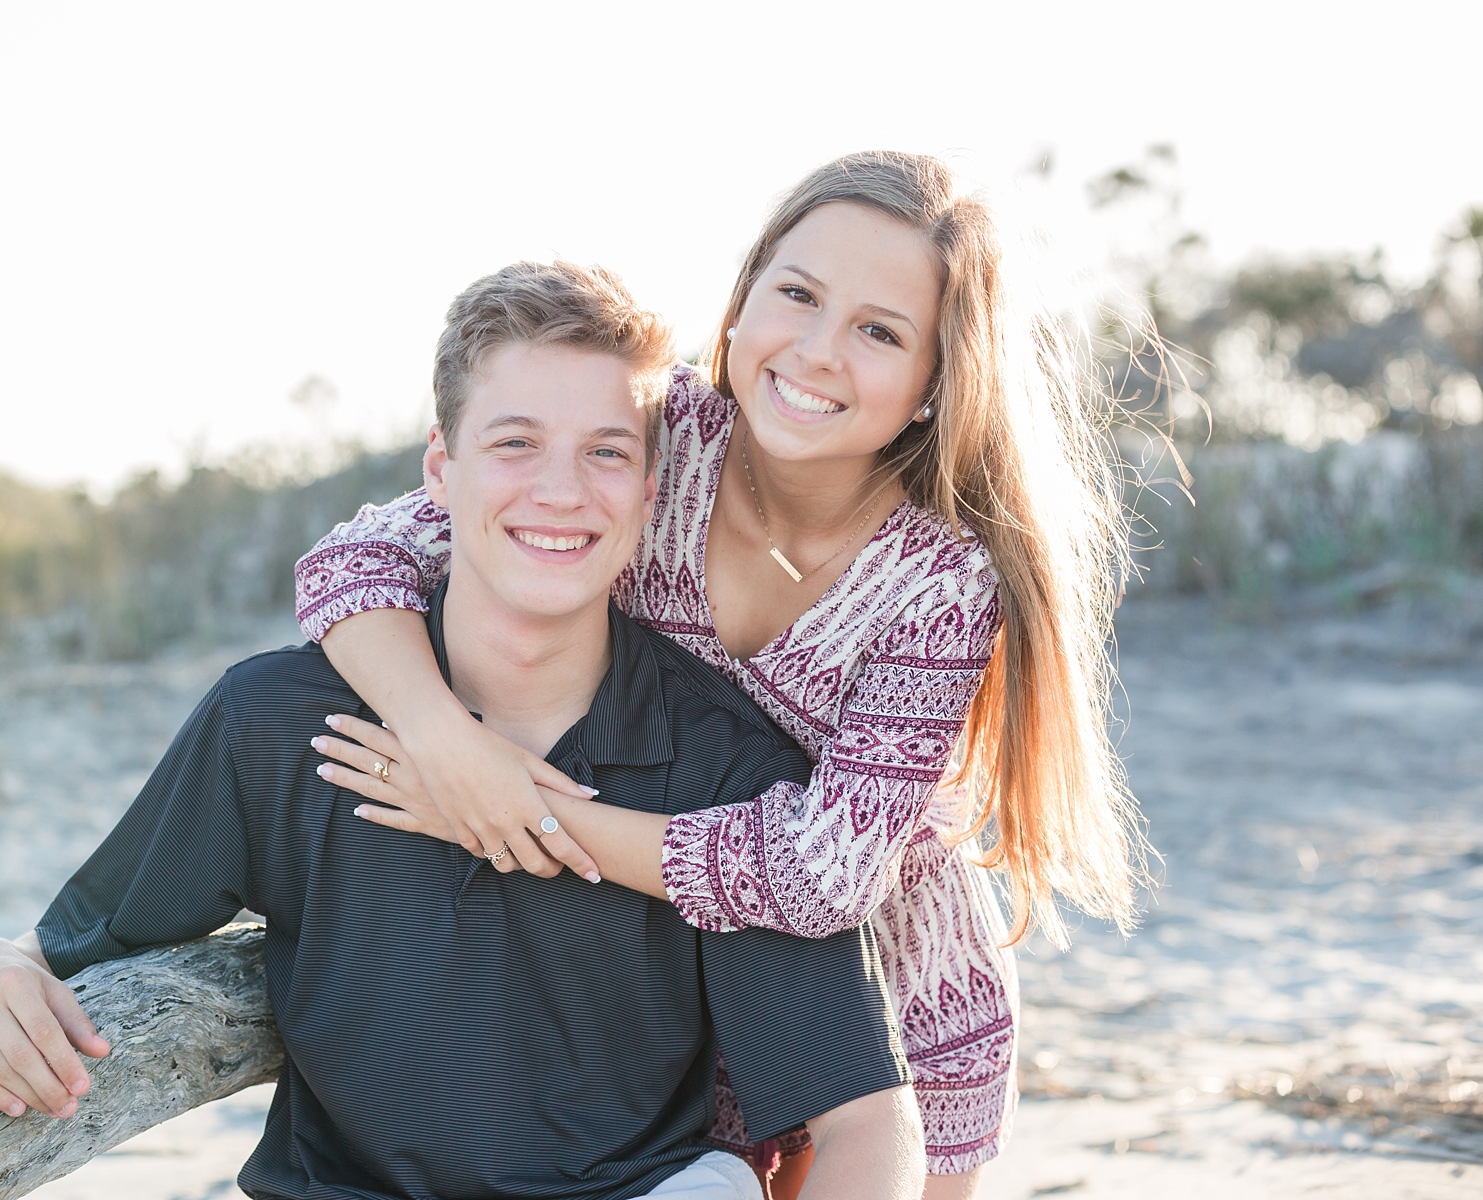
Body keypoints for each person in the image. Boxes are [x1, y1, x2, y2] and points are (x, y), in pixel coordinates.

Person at [0, 260, 926, 1200]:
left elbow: (862, 1121)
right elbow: (66, 942)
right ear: (440, 473)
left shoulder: (728, 765)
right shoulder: (277, 726)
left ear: (651, 490)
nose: (561, 492)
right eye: (514, 443)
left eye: (607, 453)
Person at [294, 150, 1145, 1199]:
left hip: (883, 1012)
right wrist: (444, 743)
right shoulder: (652, 445)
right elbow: (352, 562)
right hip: (653, 976)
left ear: (936, 382)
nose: (819, 352)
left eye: (880, 332)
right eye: (797, 295)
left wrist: (516, 812)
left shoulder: (938, 584)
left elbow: (827, 873)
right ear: (740, 310)